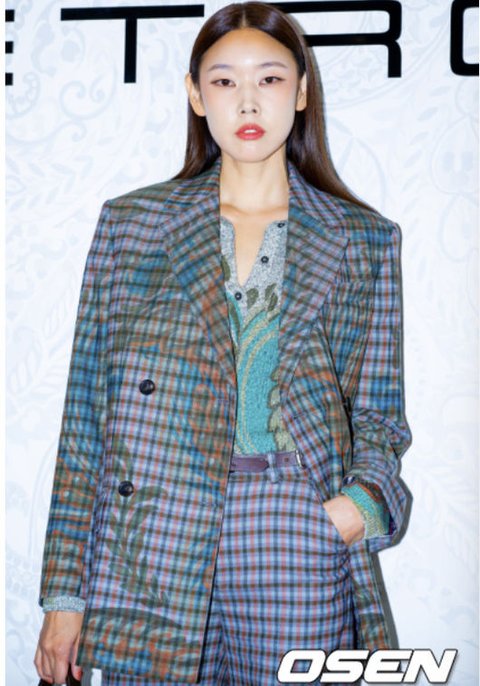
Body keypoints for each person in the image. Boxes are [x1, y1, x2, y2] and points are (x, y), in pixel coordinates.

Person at [34, 2, 412, 684]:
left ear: (301, 92)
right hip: (153, 532)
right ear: (195, 94)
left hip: (293, 525)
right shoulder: (133, 226)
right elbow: (87, 417)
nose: (247, 101)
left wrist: (354, 511)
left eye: (269, 79)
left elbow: (378, 414)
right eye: (224, 80)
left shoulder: (362, 239)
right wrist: (65, 595)